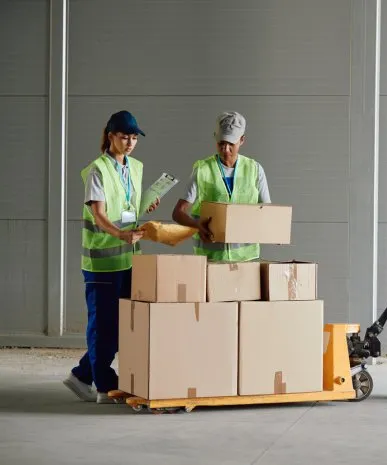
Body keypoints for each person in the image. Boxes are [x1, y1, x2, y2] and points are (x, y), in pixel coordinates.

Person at [63, 110, 159, 404]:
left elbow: (126, 208)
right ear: (110, 136)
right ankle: (104, 385)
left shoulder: (137, 167)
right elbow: (99, 214)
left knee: (122, 324)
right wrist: (120, 235)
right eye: (123, 136)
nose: (129, 142)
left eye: (133, 138)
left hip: (128, 260)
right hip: (102, 263)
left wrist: (146, 206)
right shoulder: (97, 170)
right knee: (103, 324)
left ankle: (81, 375)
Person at [172, 111, 271, 261]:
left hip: (245, 260)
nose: (225, 149)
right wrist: (197, 225)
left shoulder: (255, 169)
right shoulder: (202, 169)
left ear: (242, 140)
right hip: (210, 259)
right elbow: (178, 213)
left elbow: (267, 212)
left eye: (231, 144)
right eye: (221, 143)